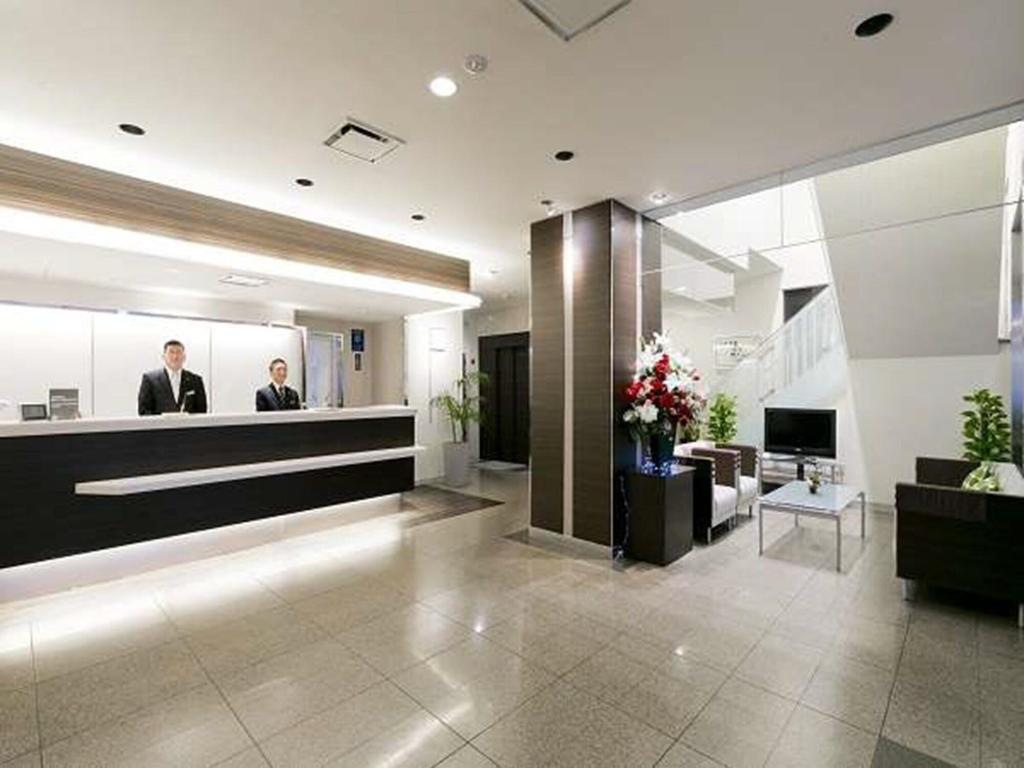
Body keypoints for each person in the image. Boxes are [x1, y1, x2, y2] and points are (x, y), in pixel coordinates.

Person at [137, 339, 208, 415]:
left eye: (179, 352)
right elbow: (144, 411)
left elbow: (202, 411)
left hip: (188, 423)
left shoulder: (196, 380)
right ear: (163, 356)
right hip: (160, 423)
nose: (175, 356)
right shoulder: (149, 380)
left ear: (184, 357)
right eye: (171, 352)